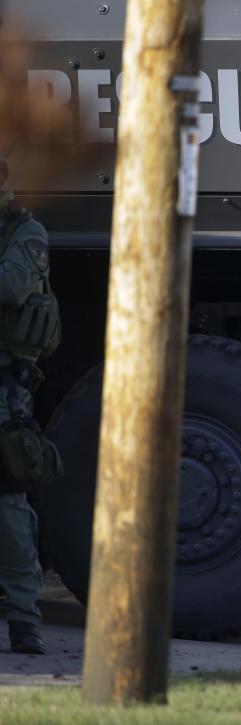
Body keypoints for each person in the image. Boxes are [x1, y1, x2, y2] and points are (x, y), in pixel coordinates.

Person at [0, 152, 62, 655]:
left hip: (4, 392)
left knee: (9, 507)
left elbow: (12, 286)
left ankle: (23, 618)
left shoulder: (24, 233)